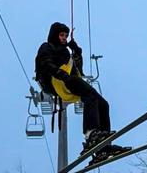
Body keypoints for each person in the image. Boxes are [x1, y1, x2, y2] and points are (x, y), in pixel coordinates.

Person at [34, 22, 129, 160]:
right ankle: (91, 134)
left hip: (69, 80)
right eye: (61, 35)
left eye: (66, 36)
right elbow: (46, 64)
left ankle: (104, 147)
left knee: (103, 104)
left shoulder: (66, 52)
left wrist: (76, 50)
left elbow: (78, 68)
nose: (64, 38)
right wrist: (62, 75)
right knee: (89, 94)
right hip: (57, 80)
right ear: (54, 35)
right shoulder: (47, 47)